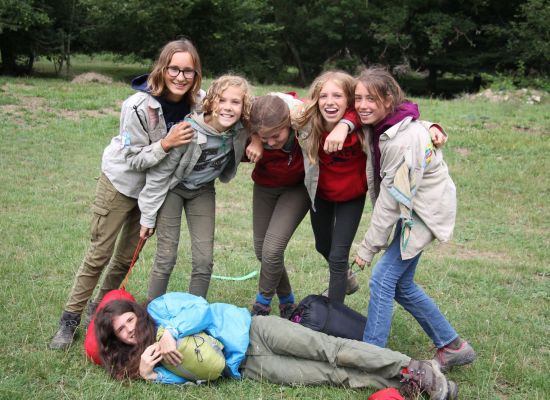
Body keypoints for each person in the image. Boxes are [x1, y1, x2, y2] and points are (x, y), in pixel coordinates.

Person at [49, 39, 204, 350]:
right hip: (121, 184)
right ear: (163, 68)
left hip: (153, 192)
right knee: (99, 255)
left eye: (188, 70)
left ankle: (101, 310)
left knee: (124, 260)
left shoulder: (198, 103)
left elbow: (234, 103)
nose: (180, 76)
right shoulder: (135, 106)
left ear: (196, 73)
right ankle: (70, 319)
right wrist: (167, 143)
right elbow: (133, 158)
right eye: (174, 68)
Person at [94, 292, 458, 400]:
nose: (129, 328)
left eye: (128, 319)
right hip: (248, 365)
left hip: (255, 330)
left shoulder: (159, 308)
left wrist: (172, 330)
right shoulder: (144, 361)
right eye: (122, 331)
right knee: (328, 376)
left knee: (330, 349)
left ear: (134, 311)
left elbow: (201, 309)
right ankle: (404, 387)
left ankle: (414, 368)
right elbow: (191, 378)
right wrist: (149, 376)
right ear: (117, 341)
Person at [353, 66, 476, 371]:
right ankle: (452, 346)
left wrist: (367, 248)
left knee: (382, 280)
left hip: (422, 213)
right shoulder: (389, 123)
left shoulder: (401, 139)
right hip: (413, 208)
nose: (363, 105)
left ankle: (372, 357)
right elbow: (413, 116)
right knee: (402, 285)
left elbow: (392, 201)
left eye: (371, 98)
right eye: (358, 98)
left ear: (389, 98)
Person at [245, 93, 362, 316]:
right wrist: (254, 139)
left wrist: (344, 126)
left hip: (297, 188)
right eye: (264, 137)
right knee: (263, 251)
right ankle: (288, 302)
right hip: (265, 187)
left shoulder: (304, 118)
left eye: (275, 136)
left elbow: (353, 107)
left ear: (287, 123)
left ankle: (261, 305)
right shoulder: (256, 128)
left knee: (272, 250)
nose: (270, 142)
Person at [138, 74, 253, 301]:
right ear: (211, 102)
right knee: (166, 256)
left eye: (235, 102)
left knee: (203, 260)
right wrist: (148, 216)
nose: (228, 108)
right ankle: (150, 313)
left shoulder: (241, 128)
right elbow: (160, 174)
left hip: (202, 190)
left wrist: (257, 141)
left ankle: (195, 311)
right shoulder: (188, 131)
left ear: (244, 106)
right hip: (173, 188)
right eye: (222, 100)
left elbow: (284, 104)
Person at [295, 71, 369, 305]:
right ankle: (344, 279)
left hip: (352, 196)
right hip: (322, 194)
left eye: (337, 95)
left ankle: (334, 314)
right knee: (322, 245)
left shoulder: (362, 123)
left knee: (338, 256)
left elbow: (401, 110)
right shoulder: (310, 120)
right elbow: (283, 100)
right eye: (323, 95)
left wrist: (346, 124)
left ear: (349, 99)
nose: (330, 101)